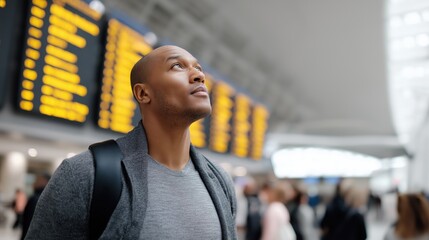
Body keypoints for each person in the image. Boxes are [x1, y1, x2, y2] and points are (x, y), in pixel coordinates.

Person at [25, 45, 237, 239]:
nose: (199, 75)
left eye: (198, 68)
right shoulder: (85, 174)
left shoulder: (219, 182)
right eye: (177, 66)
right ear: (143, 93)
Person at [21, 174, 50, 240]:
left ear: (44, 181)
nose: (34, 182)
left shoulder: (37, 199)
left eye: (37, 180)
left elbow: (30, 222)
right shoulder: (45, 198)